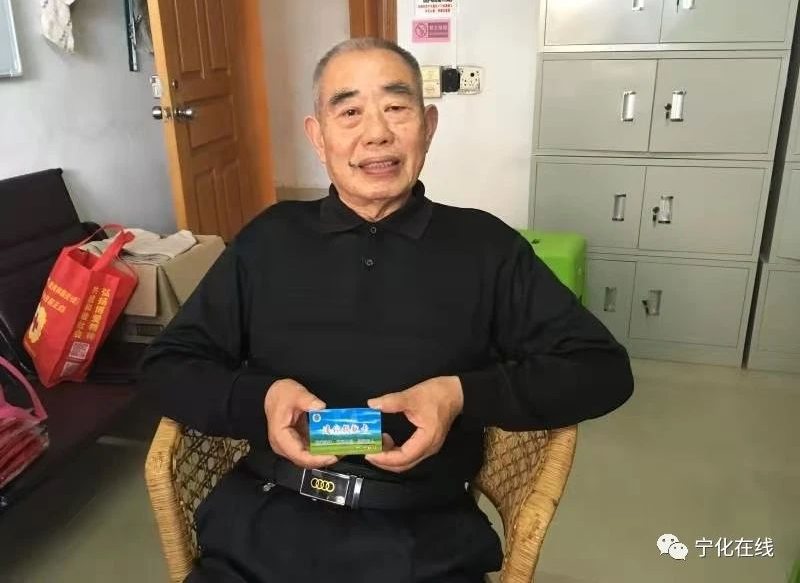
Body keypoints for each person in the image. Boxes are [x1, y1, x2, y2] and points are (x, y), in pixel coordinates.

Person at [141, 37, 634, 583]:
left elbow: (601, 370)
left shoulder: (484, 246)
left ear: (428, 126)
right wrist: (263, 399)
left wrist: (460, 395)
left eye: (396, 107)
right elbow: (167, 366)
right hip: (265, 524)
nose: (376, 132)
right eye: (349, 111)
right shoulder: (269, 240)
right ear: (318, 136)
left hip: (424, 538)